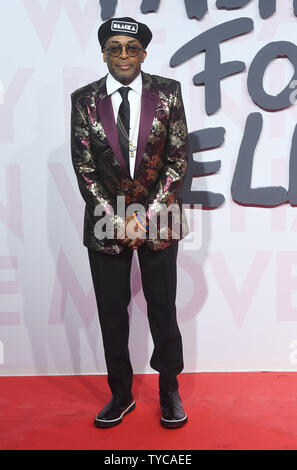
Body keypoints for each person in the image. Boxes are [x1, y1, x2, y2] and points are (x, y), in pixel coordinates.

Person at [71, 16, 189, 429]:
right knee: (111, 311)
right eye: (115, 48)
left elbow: (176, 162)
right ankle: (120, 392)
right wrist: (119, 220)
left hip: (160, 217)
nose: (124, 55)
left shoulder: (168, 94)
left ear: (144, 53)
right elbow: (84, 168)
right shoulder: (83, 100)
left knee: (163, 307)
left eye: (132, 48)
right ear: (103, 52)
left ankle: (169, 389)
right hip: (106, 222)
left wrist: (144, 217)